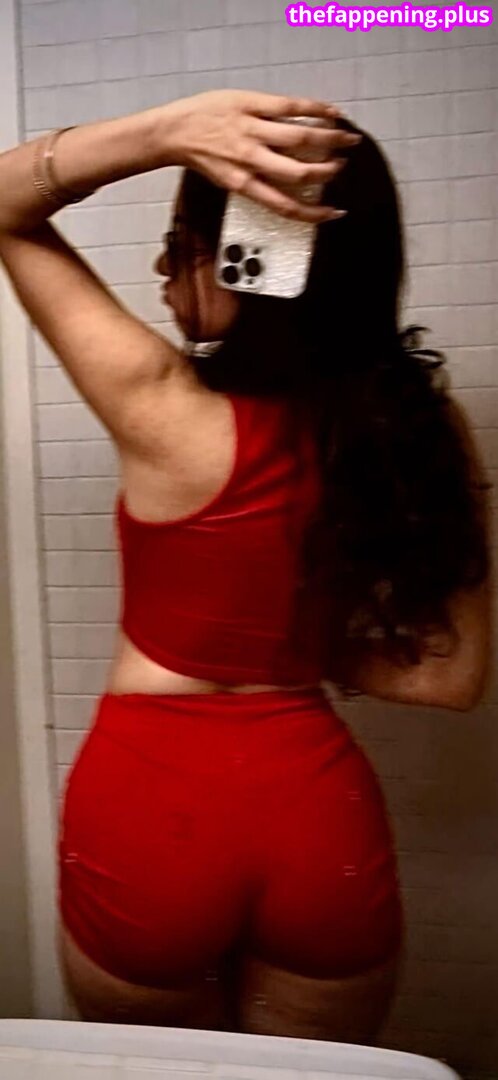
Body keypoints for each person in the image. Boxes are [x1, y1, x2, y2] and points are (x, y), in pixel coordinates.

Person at [0, 90, 492, 1040]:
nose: (161, 266)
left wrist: (165, 132)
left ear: (249, 255)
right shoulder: (424, 429)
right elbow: (451, 678)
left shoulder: (161, 405)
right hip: (315, 820)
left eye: (180, 243)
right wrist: (296, 640)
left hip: (148, 812)